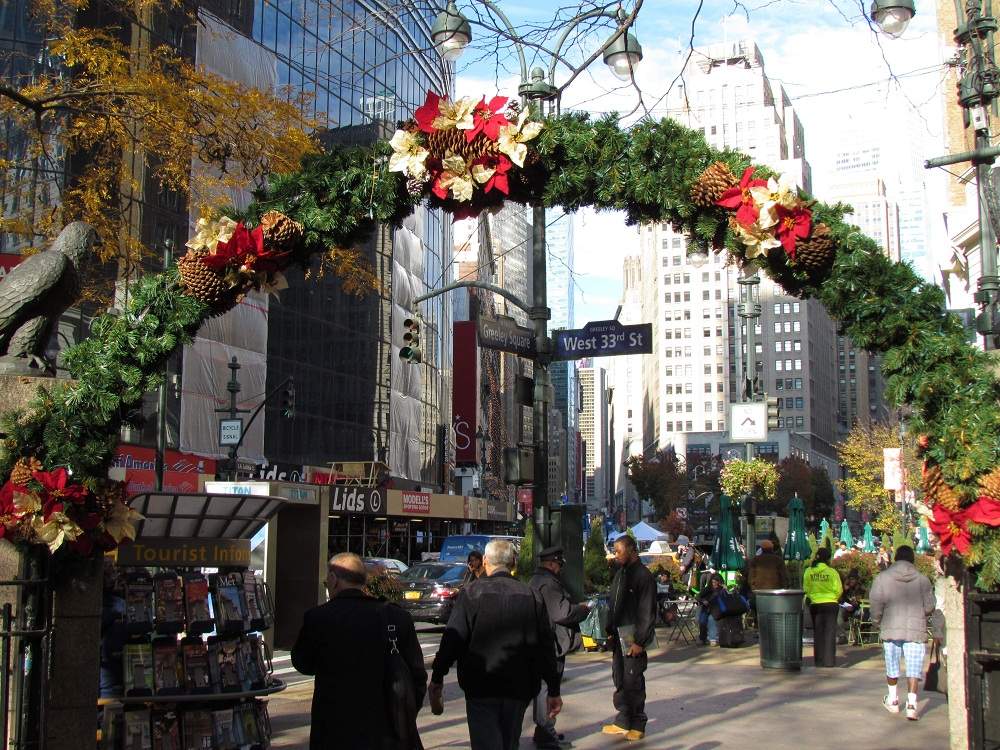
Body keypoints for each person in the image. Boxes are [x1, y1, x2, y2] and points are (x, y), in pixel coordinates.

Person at [429, 540, 562, 750]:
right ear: (514, 563)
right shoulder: (531, 596)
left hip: (481, 686)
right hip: (518, 687)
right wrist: (553, 689)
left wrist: (438, 677)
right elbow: (545, 646)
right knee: (510, 742)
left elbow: (453, 639)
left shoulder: (471, 593)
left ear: (485, 561)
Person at [291, 552, 426, 750]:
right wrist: (405, 714)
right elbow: (417, 674)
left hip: (335, 728)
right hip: (388, 729)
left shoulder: (318, 618)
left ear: (333, 579)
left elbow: (302, 663)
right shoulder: (397, 617)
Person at [529, 546, 591, 749]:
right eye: (558, 564)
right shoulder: (548, 584)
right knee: (547, 687)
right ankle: (546, 731)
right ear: (551, 564)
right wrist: (582, 609)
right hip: (551, 642)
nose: (560, 569)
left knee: (545, 687)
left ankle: (544, 730)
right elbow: (561, 613)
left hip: (546, 641)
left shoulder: (539, 581)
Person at [869, 545, 935, 721]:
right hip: (916, 628)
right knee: (914, 669)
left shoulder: (882, 578)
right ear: (913, 559)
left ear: (896, 558)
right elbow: (930, 606)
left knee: (892, 666)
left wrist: (877, 622)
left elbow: (875, 604)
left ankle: (893, 699)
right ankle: (912, 704)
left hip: (890, 626)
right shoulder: (923, 580)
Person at [602, 535, 657, 742]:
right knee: (620, 677)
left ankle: (637, 722)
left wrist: (640, 641)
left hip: (633, 635)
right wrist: (609, 628)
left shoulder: (643, 576)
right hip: (618, 634)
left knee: (633, 679)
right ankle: (623, 719)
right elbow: (613, 603)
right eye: (614, 551)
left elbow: (647, 611)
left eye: (619, 551)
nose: (615, 555)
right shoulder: (620, 574)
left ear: (632, 550)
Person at [803, 547, 843, 668]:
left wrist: (813, 597)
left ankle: (819, 661)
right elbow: (839, 589)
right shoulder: (832, 572)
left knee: (818, 632)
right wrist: (833, 598)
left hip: (816, 604)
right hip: (831, 604)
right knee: (830, 633)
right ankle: (829, 661)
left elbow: (806, 588)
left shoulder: (809, 571)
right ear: (828, 558)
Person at [697, 572, 726, 646]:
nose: (714, 584)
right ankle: (702, 638)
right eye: (713, 582)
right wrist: (703, 601)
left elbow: (727, 598)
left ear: (719, 582)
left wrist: (725, 590)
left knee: (711, 620)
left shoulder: (722, 589)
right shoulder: (708, 589)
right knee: (702, 621)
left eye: (716, 582)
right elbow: (698, 596)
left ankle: (713, 639)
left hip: (717, 609)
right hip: (706, 608)